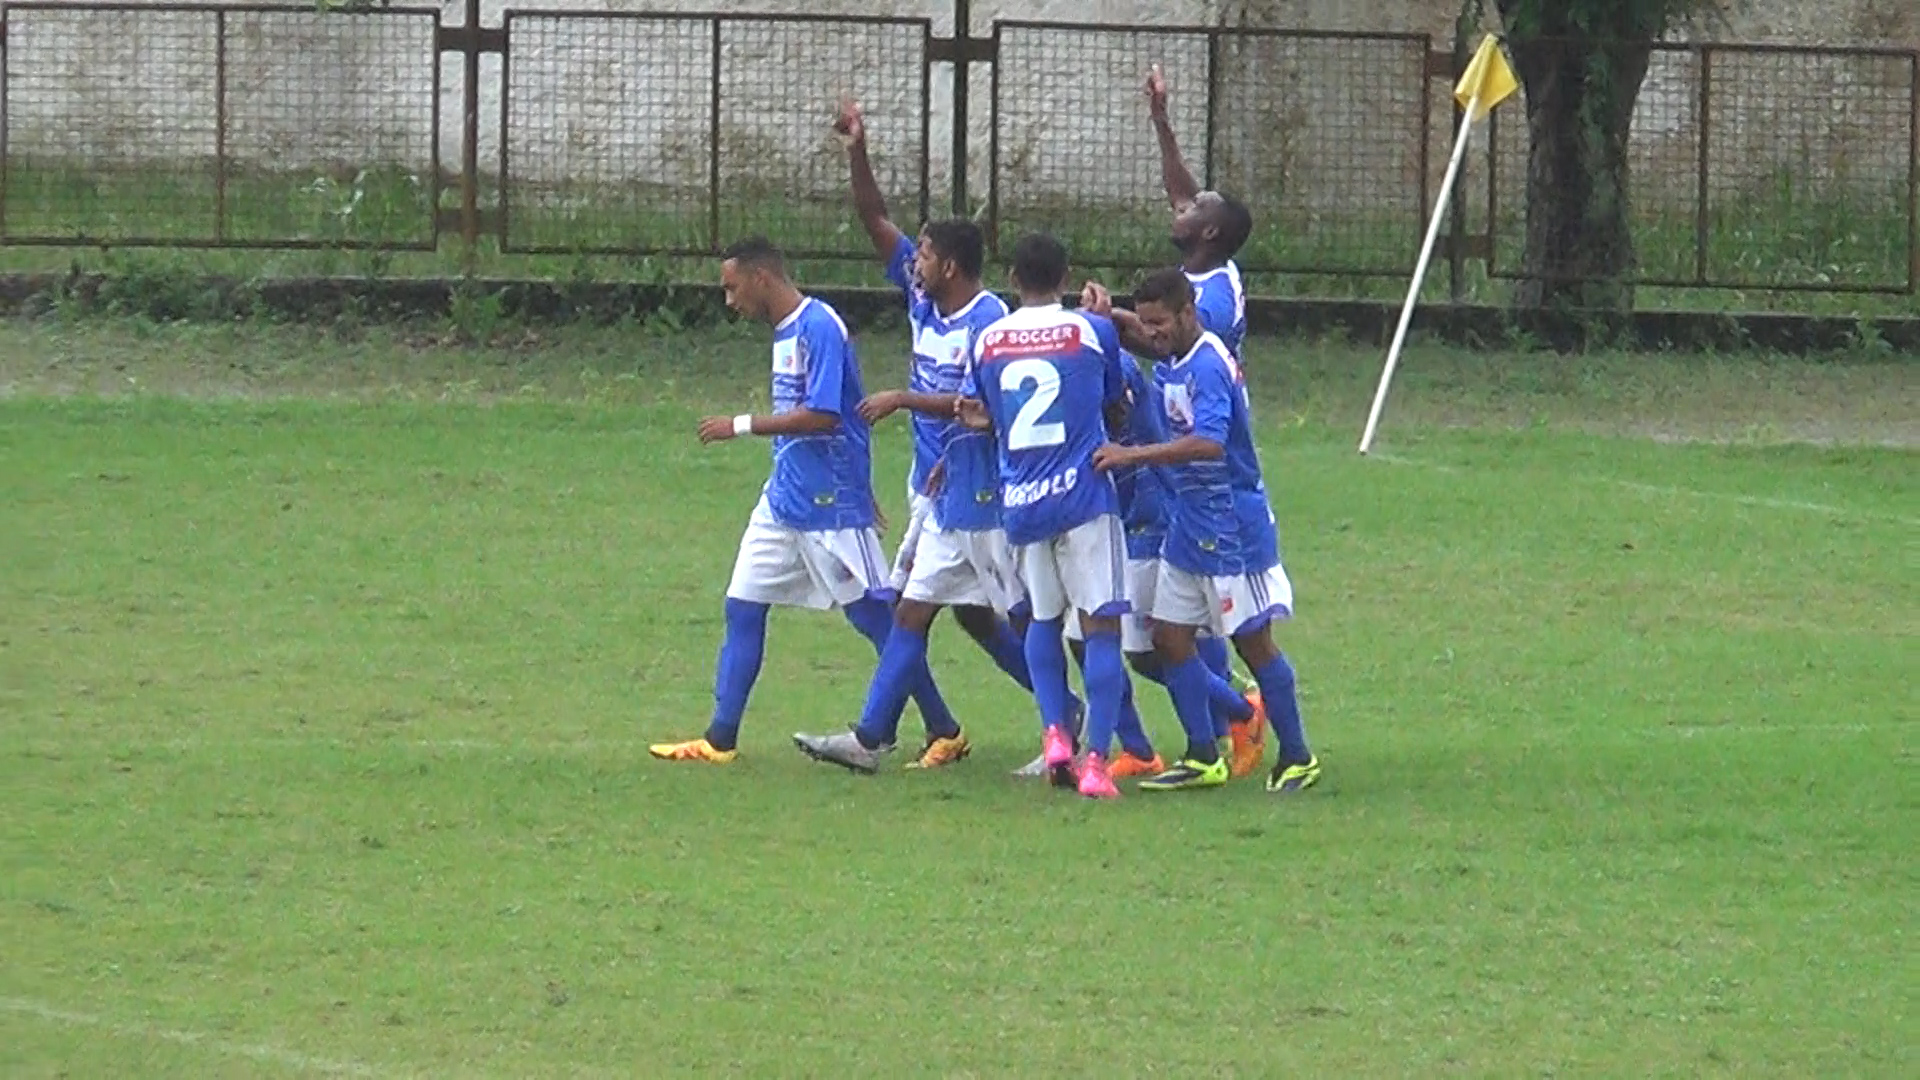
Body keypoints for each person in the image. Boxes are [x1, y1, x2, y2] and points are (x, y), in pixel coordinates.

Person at [791, 100, 1041, 773]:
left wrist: (905, 399)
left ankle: (1082, 728)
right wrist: (857, 150)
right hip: (938, 490)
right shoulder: (925, 298)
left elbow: (986, 409)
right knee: (927, 612)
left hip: (984, 494)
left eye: (926, 252)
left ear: (952, 266)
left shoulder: (991, 325)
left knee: (1015, 617)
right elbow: (876, 222)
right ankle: (874, 738)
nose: (915, 258)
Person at [649, 238, 960, 764]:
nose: (729, 300)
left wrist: (740, 426)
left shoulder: (819, 327)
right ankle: (719, 739)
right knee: (742, 607)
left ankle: (943, 728)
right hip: (783, 501)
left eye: (731, 287)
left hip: (828, 506)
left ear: (761, 279)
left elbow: (824, 416)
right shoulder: (786, 331)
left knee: (878, 621)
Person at [1092, 268, 1321, 794]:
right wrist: (1109, 316)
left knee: (1254, 644)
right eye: (1145, 324)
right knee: (1167, 637)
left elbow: (1210, 443)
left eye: (1160, 323)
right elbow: (1142, 333)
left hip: (1231, 525)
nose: (1151, 335)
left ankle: (1298, 755)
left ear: (1189, 313)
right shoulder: (1175, 354)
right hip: (1190, 522)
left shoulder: (1209, 366)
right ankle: (1202, 754)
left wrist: (1134, 454)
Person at [955, 233, 1134, 799]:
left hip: (1024, 500)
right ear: (1066, 277)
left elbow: (986, 410)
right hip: (1083, 496)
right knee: (1101, 625)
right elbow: (1114, 402)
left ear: (1012, 278)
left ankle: (1055, 733)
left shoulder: (988, 339)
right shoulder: (1090, 330)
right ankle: (1098, 761)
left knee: (1041, 621)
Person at [1062, 345, 1266, 779]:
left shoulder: (1114, 368)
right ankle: (1144, 745)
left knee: (1139, 644)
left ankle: (1238, 711)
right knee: (1101, 639)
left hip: (1145, 516)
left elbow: (1119, 428)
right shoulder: (1075, 362)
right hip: (1107, 516)